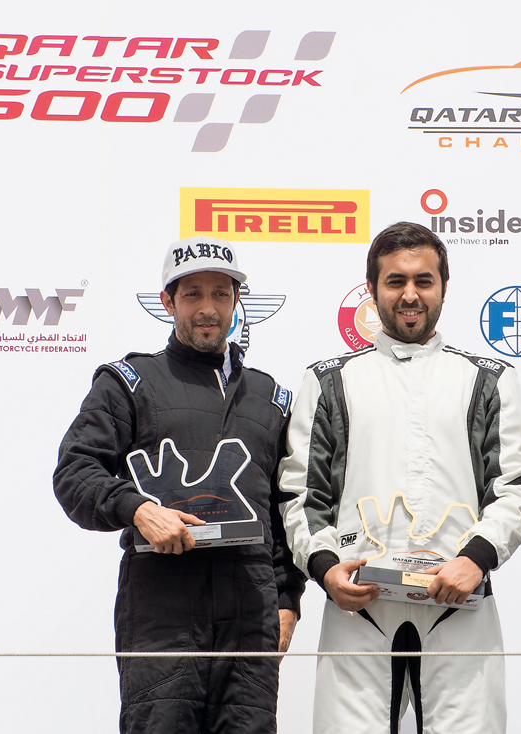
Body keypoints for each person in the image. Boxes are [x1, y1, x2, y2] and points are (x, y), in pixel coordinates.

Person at [278, 221, 521, 734]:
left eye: (424, 280)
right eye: (395, 281)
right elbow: (301, 495)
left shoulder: (489, 378)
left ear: (444, 286)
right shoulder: (328, 380)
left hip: (459, 603)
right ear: (372, 288)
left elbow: (516, 488)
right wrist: (326, 569)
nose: (410, 294)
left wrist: (475, 559)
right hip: (358, 607)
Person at [53, 236, 305, 734]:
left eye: (220, 293)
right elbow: (75, 472)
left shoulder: (270, 396)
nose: (207, 308)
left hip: (250, 607)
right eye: (192, 294)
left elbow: (286, 509)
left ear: (237, 301)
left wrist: (287, 599)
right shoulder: (129, 382)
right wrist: (137, 508)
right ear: (168, 302)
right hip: (160, 603)